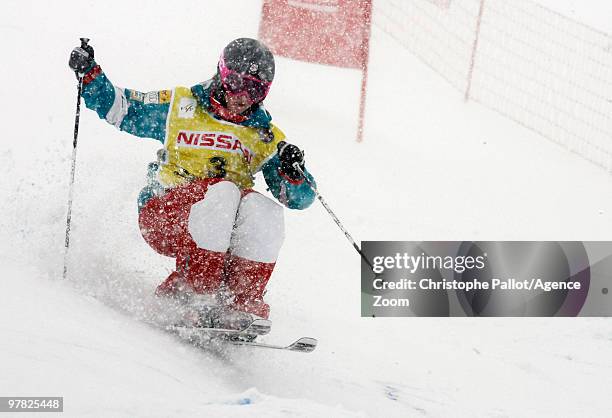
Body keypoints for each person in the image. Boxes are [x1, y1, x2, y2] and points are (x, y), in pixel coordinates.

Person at [68, 38, 316, 322]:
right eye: (235, 82)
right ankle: (193, 291)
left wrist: (294, 173)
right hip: (164, 212)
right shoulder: (182, 106)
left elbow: (298, 199)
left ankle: (241, 301)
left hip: (218, 230)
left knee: (265, 210)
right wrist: (90, 74)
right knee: (223, 192)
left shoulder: (264, 135)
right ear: (222, 74)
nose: (243, 95)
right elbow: (123, 109)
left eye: (255, 88)